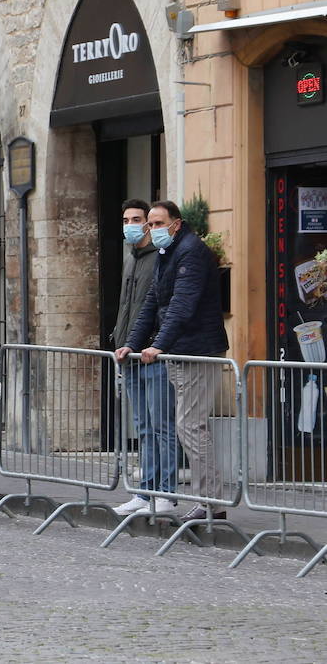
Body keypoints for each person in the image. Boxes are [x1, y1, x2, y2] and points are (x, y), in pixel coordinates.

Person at [116, 199, 230, 521]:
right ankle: (211, 503)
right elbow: (152, 303)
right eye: (150, 225)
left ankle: (211, 503)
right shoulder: (168, 254)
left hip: (198, 349)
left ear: (175, 224)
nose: (153, 230)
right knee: (188, 425)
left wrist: (160, 345)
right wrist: (131, 344)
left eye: (157, 224)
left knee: (189, 425)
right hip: (181, 350)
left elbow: (182, 304)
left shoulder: (191, 252)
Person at [109, 199, 178, 517]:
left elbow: (158, 309)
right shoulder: (129, 259)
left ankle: (166, 492)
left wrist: (152, 343)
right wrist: (121, 341)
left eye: (137, 219)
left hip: (153, 354)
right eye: (126, 220)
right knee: (143, 426)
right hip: (130, 353)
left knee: (162, 425)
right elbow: (126, 306)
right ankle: (145, 492)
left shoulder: (161, 259)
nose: (131, 225)